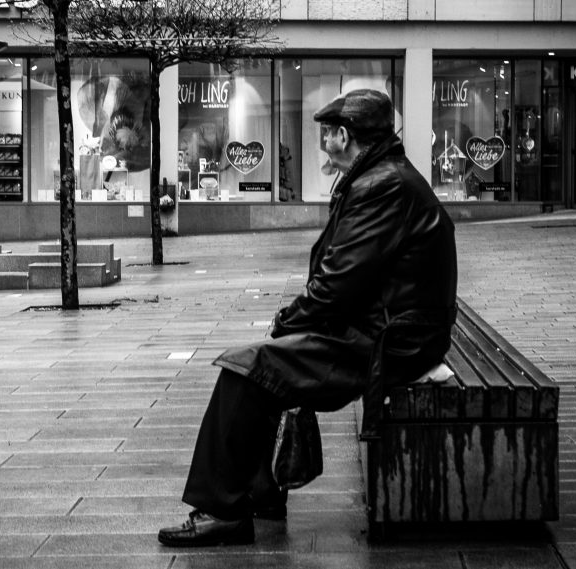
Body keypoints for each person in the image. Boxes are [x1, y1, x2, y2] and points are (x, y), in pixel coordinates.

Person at [157, 89, 458, 547]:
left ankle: (223, 510)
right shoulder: (378, 177)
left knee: (244, 370)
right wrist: (297, 321)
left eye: (326, 136)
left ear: (343, 135)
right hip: (387, 328)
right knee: (262, 366)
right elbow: (343, 278)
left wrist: (287, 321)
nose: (322, 146)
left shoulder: (381, 185)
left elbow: (335, 286)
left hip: (388, 342)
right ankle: (261, 493)